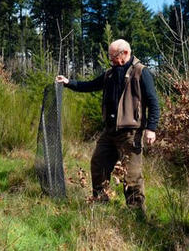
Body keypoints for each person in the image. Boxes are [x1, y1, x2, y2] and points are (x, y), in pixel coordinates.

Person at [56, 39, 159, 211]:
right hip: (109, 132)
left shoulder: (141, 72)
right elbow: (89, 85)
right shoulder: (110, 74)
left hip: (131, 133)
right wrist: (68, 82)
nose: (111, 59)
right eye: (110, 56)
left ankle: (136, 214)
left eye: (113, 56)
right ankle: (101, 202)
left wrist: (151, 128)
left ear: (125, 53)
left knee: (131, 175)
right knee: (98, 164)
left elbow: (153, 102)